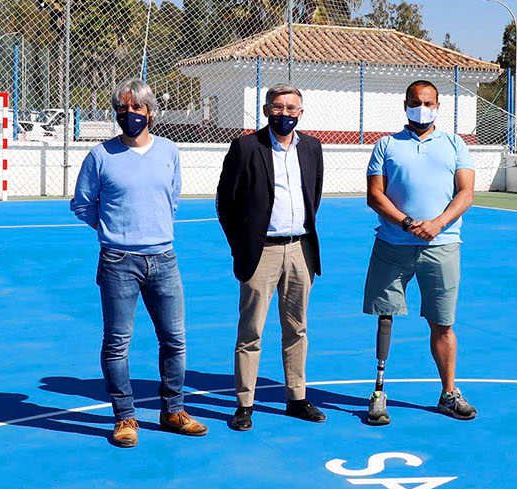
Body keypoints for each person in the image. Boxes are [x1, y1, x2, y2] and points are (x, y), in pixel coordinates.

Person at [70, 79, 208, 448]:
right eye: (122, 108)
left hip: (164, 258)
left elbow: (172, 198)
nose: (129, 114)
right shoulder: (100, 156)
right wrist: (115, 229)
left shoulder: (169, 151)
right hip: (118, 261)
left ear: (150, 112)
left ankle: (173, 410)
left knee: (175, 341)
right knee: (117, 343)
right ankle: (124, 417)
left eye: (136, 108)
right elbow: (82, 204)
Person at [363, 79, 478, 423]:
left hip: (441, 247)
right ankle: (379, 391)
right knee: (386, 317)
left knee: (442, 323)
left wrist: (438, 223)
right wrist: (407, 222)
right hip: (392, 245)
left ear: (438, 106)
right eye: (416, 102)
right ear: (405, 105)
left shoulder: (455, 144)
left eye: (429, 103)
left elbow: (466, 192)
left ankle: (448, 393)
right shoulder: (386, 145)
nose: (422, 108)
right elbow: (375, 195)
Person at [215, 84, 327, 432]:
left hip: (300, 250)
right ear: (266, 111)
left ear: (301, 112)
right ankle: (245, 403)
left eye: (291, 108)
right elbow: (225, 203)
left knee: (297, 327)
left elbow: (314, 195)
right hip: (260, 251)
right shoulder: (246, 147)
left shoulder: (312, 148)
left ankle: (296, 397)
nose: (284, 114)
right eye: (277, 108)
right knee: (252, 330)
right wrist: (242, 246)